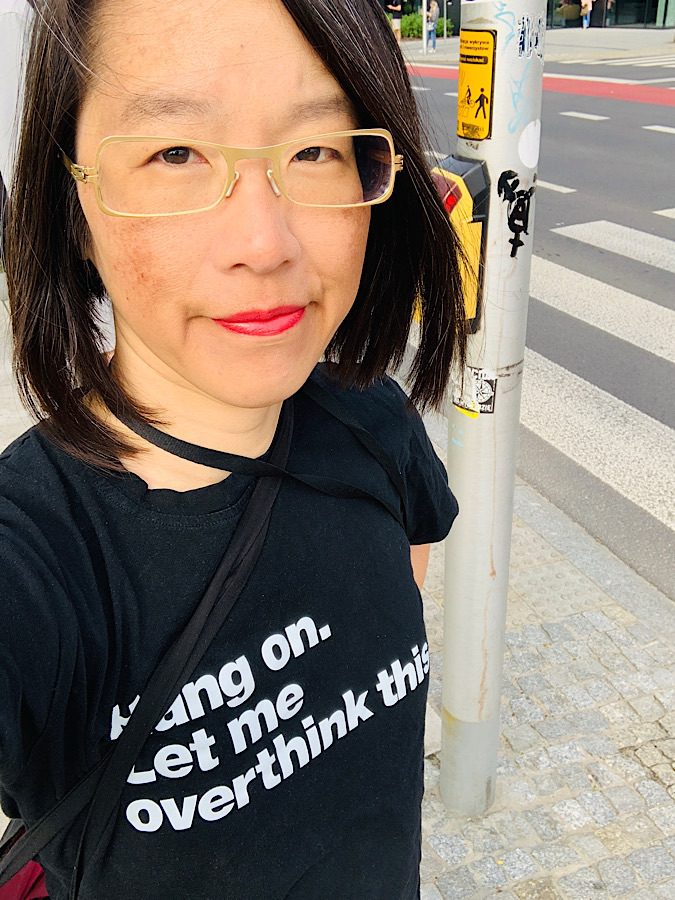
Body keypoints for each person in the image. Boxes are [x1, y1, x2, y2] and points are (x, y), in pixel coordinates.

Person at [0, 0, 467, 897]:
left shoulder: (375, 424)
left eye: (316, 150)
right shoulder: (38, 557)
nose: (265, 244)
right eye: (175, 153)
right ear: (73, 204)